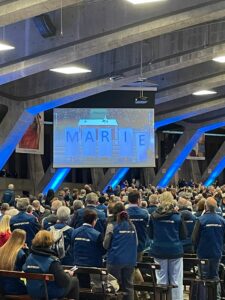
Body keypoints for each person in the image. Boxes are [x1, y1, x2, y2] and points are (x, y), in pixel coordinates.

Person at [149, 191, 187, 300]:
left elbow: (150, 234)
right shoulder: (177, 217)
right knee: (176, 281)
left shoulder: (153, 216)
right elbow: (183, 235)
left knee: (161, 280)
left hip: (158, 250)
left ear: (160, 201)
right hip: (175, 250)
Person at [23, 230, 79, 300]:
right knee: (74, 280)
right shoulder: (52, 261)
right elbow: (64, 282)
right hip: (48, 293)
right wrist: (68, 273)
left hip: (32, 292)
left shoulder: (29, 257)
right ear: (50, 242)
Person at [192, 197, 225, 299]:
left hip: (203, 254)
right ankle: (217, 297)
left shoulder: (200, 220)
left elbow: (194, 238)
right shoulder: (222, 220)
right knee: (215, 276)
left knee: (203, 277)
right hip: (216, 252)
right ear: (216, 207)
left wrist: (197, 249)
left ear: (205, 207)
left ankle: (204, 297)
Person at [104, 202, 137, 300]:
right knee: (129, 286)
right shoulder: (132, 226)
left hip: (115, 260)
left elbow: (105, 245)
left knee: (113, 286)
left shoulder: (112, 225)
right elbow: (136, 243)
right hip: (130, 260)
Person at [72, 209, 105, 288]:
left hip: (77, 264)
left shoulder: (74, 232)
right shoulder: (97, 235)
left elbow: (72, 244)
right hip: (93, 266)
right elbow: (102, 251)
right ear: (94, 221)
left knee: (81, 286)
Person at [0, 229, 27, 295]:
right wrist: (26, 251)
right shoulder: (21, 253)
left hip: (1, 287)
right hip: (15, 288)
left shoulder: (1, 250)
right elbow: (26, 270)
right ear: (23, 239)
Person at [126, 190, 149, 261]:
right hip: (140, 245)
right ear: (138, 200)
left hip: (126, 245)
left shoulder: (123, 213)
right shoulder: (145, 213)